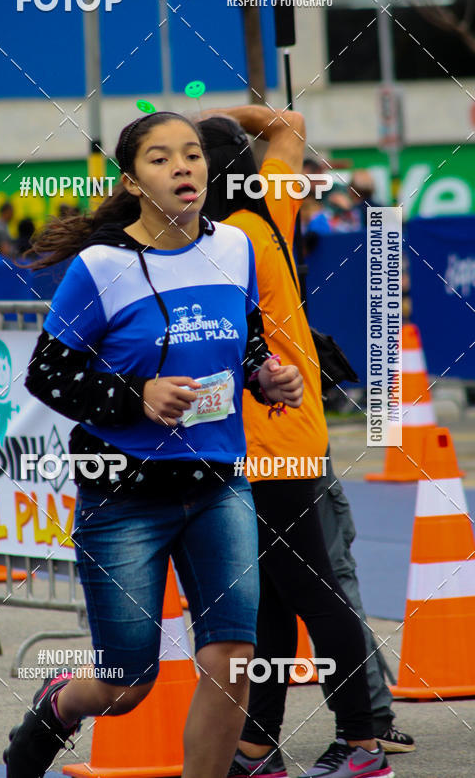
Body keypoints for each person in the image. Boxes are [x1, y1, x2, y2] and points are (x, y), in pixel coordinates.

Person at [3, 111, 304, 778]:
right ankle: (57, 707)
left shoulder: (234, 248)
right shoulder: (101, 267)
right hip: (123, 497)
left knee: (231, 660)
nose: (183, 168)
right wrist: (135, 397)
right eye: (162, 159)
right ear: (133, 182)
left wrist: (265, 376)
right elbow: (47, 375)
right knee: (126, 683)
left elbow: (245, 339)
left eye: (192, 155)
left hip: (218, 484)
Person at [199, 106, 413, 778]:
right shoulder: (270, 213)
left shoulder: (221, 242)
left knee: (310, 586)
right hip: (287, 431)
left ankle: (362, 743)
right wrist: (223, 116)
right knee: (273, 592)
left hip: (266, 441)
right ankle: (260, 748)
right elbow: (288, 122)